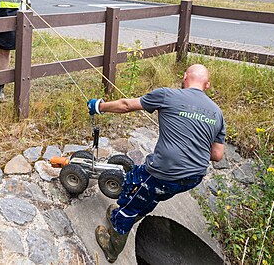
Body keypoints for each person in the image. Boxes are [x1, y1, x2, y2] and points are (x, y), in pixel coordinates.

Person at [86, 64, 226, 263]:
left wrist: (99, 106)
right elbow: (217, 154)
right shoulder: (217, 113)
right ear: (207, 85)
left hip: (164, 172)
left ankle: (112, 247)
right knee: (151, 194)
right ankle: (129, 212)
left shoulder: (168, 95)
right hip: (192, 178)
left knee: (132, 189)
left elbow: (126, 105)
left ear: (185, 77)